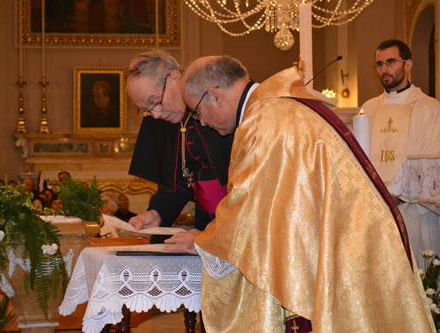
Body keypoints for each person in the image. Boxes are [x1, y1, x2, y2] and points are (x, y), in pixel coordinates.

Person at [172, 56, 435, 332]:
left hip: (344, 251)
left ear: (214, 96)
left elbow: (249, 209)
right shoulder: (278, 108)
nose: (200, 122)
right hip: (350, 242)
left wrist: (205, 241)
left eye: (197, 112)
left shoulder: (264, 121)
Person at [126, 50, 235, 242]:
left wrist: (217, 229)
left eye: (155, 102)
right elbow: (179, 180)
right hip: (204, 226)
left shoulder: (221, 105)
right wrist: (157, 213)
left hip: (239, 222)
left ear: (175, 78)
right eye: (146, 110)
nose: (156, 115)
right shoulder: (162, 120)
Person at [361, 39, 440, 268]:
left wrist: (395, 195)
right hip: (375, 210)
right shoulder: (369, 109)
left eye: (391, 62)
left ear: (408, 65)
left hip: (414, 213)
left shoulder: (429, 108)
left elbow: (430, 163)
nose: (384, 69)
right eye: (379, 64)